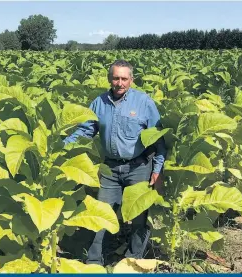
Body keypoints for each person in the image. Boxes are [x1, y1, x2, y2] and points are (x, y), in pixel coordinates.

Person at [63, 59, 167, 265]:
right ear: (110, 79)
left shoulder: (144, 102)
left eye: (124, 79)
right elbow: (86, 130)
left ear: (131, 80)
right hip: (110, 168)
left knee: (138, 217)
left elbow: (158, 137)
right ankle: (94, 262)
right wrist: (61, 146)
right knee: (100, 214)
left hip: (138, 166)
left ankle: (133, 260)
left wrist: (158, 169)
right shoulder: (99, 103)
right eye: (116, 78)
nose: (119, 83)